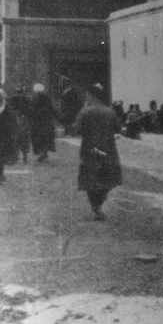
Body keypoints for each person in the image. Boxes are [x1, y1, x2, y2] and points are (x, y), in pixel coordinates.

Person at [73, 83, 123, 221]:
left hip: (89, 150)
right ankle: (99, 203)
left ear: (91, 96)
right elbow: (118, 129)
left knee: (91, 179)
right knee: (108, 178)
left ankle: (96, 205)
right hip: (108, 150)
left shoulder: (84, 112)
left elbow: (76, 130)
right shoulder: (111, 112)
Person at [29, 84, 58, 162]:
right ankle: (44, 152)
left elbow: (32, 109)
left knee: (36, 137)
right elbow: (51, 108)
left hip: (37, 121)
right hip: (46, 121)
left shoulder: (35, 98)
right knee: (45, 137)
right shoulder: (47, 98)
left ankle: (41, 152)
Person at [10, 86, 32, 164]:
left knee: (16, 138)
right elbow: (30, 109)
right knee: (25, 138)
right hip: (25, 119)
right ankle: (24, 158)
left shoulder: (13, 98)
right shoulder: (27, 98)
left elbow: (11, 108)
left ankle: (15, 156)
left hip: (16, 118)